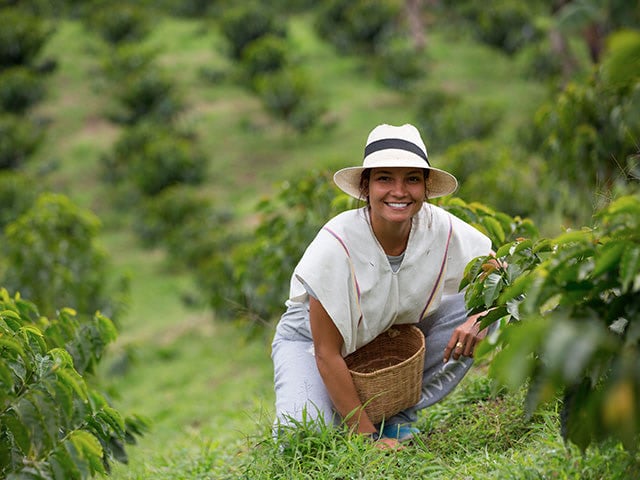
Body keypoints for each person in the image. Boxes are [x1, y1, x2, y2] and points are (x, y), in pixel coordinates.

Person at [271, 123, 493, 450]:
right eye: (385, 178)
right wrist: (368, 441)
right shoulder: (338, 244)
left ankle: (395, 417)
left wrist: (481, 318)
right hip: (312, 341)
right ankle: (366, 424)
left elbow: (497, 272)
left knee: (481, 310)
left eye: (412, 179)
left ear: (426, 187)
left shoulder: (439, 228)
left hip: (381, 332)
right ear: (366, 186)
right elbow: (326, 352)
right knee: (303, 439)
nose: (399, 191)